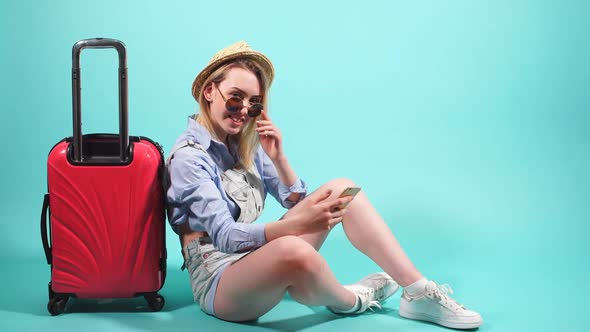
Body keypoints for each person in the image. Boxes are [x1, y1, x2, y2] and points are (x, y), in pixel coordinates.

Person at [165, 41, 483, 329]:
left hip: (255, 255)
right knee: (292, 248)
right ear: (209, 91)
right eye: (235, 99)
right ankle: (350, 299)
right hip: (219, 280)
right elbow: (225, 236)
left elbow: (295, 203)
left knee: (343, 191)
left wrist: (279, 159)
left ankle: (417, 291)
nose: (244, 112)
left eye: (254, 104)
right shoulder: (190, 159)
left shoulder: (242, 145)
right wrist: (296, 226)